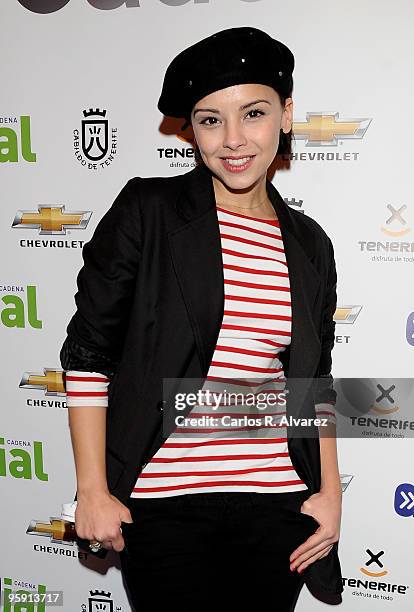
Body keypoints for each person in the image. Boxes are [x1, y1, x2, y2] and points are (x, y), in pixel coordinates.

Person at [60, 27, 343, 611]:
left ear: (286, 115)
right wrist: (92, 489)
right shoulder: (149, 211)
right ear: (192, 129)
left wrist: (330, 490)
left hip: (277, 504)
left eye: (254, 113)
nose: (233, 140)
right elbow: (89, 355)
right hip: (165, 505)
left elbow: (315, 381)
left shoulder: (310, 244)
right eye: (211, 119)